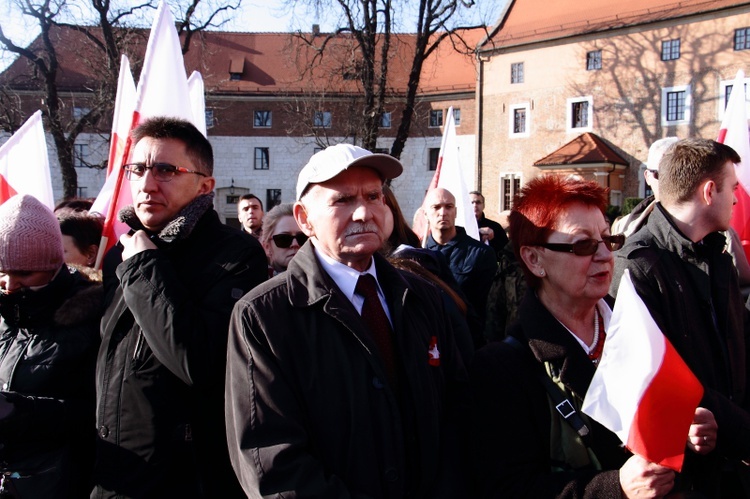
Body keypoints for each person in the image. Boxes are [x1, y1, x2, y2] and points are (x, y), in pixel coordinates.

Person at [226, 143, 469, 497]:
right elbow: (272, 462)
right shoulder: (263, 316)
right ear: (305, 218)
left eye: (373, 196)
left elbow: (459, 416)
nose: (363, 213)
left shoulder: (423, 297)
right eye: (342, 200)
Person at [471, 175, 717, 497]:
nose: (604, 255)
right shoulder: (503, 368)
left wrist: (690, 431)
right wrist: (614, 487)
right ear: (534, 259)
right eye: (583, 244)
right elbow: (507, 487)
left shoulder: (639, 324)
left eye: (607, 239)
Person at [92, 117, 268, 498]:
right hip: (116, 476)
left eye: (166, 170)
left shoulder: (235, 255)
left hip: (188, 479)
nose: (147, 183)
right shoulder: (117, 256)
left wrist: (143, 267)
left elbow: (199, 362)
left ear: (205, 185)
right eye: (137, 169)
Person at [611, 138, 750, 495]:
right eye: (732, 188)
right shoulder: (637, 265)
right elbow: (647, 382)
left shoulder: (718, 255)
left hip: (729, 466)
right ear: (708, 192)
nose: (736, 199)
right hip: (682, 478)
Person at [0, 194, 101, 498]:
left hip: (59, 483)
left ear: (53, 264)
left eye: (24, 273)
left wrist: (18, 411)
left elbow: (104, 416)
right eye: (2, 272)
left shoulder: (93, 316)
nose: (9, 284)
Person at [423, 187, 496, 334]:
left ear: (455, 212)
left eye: (448, 207)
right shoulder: (416, 255)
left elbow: (489, 309)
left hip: (467, 339)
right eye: (436, 207)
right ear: (426, 214)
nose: (443, 213)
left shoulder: (481, 253)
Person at [260, 202, 306, 275]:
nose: (295, 244)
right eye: (284, 238)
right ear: (267, 247)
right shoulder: (255, 282)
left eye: (302, 238)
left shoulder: (326, 280)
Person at [470, 191, 509, 260]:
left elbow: (505, 252)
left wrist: (492, 239)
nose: (475, 205)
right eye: (471, 203)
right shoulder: (458, 227)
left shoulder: (495, 227)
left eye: (478, 202)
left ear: (483, 206)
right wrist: (478, 231)